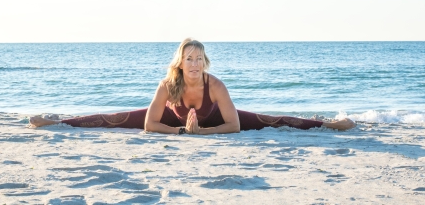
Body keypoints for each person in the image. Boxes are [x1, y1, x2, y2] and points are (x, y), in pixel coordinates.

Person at [29, 38, 356, 133]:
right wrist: (182, 132)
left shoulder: (216, 85)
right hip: (174, 122)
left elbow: (236, 126)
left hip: (213, 121)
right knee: (113, 118)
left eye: (200, 58)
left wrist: (202, 132)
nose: (195, 63)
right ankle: (56, 121)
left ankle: (329, 123)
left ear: (205, 62)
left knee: (273, 119)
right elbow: (147, 124)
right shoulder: (167, 84)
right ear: (181, 62)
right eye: (189, 58)